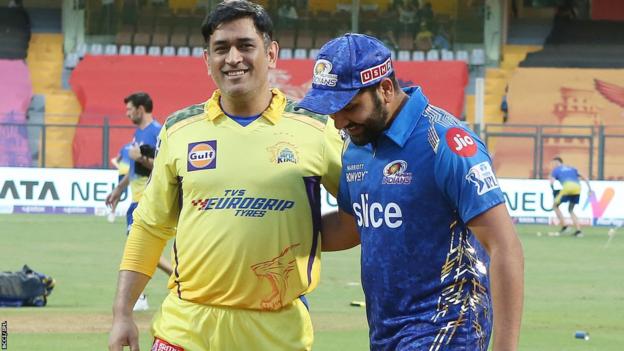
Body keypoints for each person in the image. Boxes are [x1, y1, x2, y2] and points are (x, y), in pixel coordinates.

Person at [107, 1, 343, 350]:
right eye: (221, 48)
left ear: (271, 53)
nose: (233, 58)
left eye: (245, 45)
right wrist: (122, 313)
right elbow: (150, 227)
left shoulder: (316, 129)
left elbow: (362, 212)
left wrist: (301, 235)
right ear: (207, 60)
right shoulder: (179, 130)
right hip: (185, 328)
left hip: (278, 333)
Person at [297, 33, 524, 351]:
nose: (338, 123)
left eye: (349, 107)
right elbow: (352, 227)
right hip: (387, 332)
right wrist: (277, 233)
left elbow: (505, 245)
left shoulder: (446, 142)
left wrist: (505, 347)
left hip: (449, 331)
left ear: (385, 89)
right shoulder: (356, 149)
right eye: (332, 111)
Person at [105, 92, 173, 311]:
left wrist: (141, 158)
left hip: (147, 200)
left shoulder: (158, 132)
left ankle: (170, 283)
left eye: (129, 109)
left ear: (140, 109)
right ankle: (145, 294)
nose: (127, 113)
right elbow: (133, 170)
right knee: (136, 250)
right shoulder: (138, 133)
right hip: (135, 200)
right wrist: (118, 189)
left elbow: (165, 168)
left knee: (138, 250)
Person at [549, 156, 591, 237]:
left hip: (568, 187)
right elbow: (585, 178)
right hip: (578, 188)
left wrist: (553, 189)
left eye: (553, 163)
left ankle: (565, 227)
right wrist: (590, 189)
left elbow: (551, 182)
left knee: (555, 206)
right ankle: (579, 231)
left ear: (557, 162)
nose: (553, 165)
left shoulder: (556, 170)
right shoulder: (572, 168)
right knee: (571, 210)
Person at [107, 142, 133, 223]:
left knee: (119, 193)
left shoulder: (124, 146)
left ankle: (112, 213)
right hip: (134, 172)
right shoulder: (138, 147)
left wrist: (120, 165)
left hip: (123, 171)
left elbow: (117, 159)